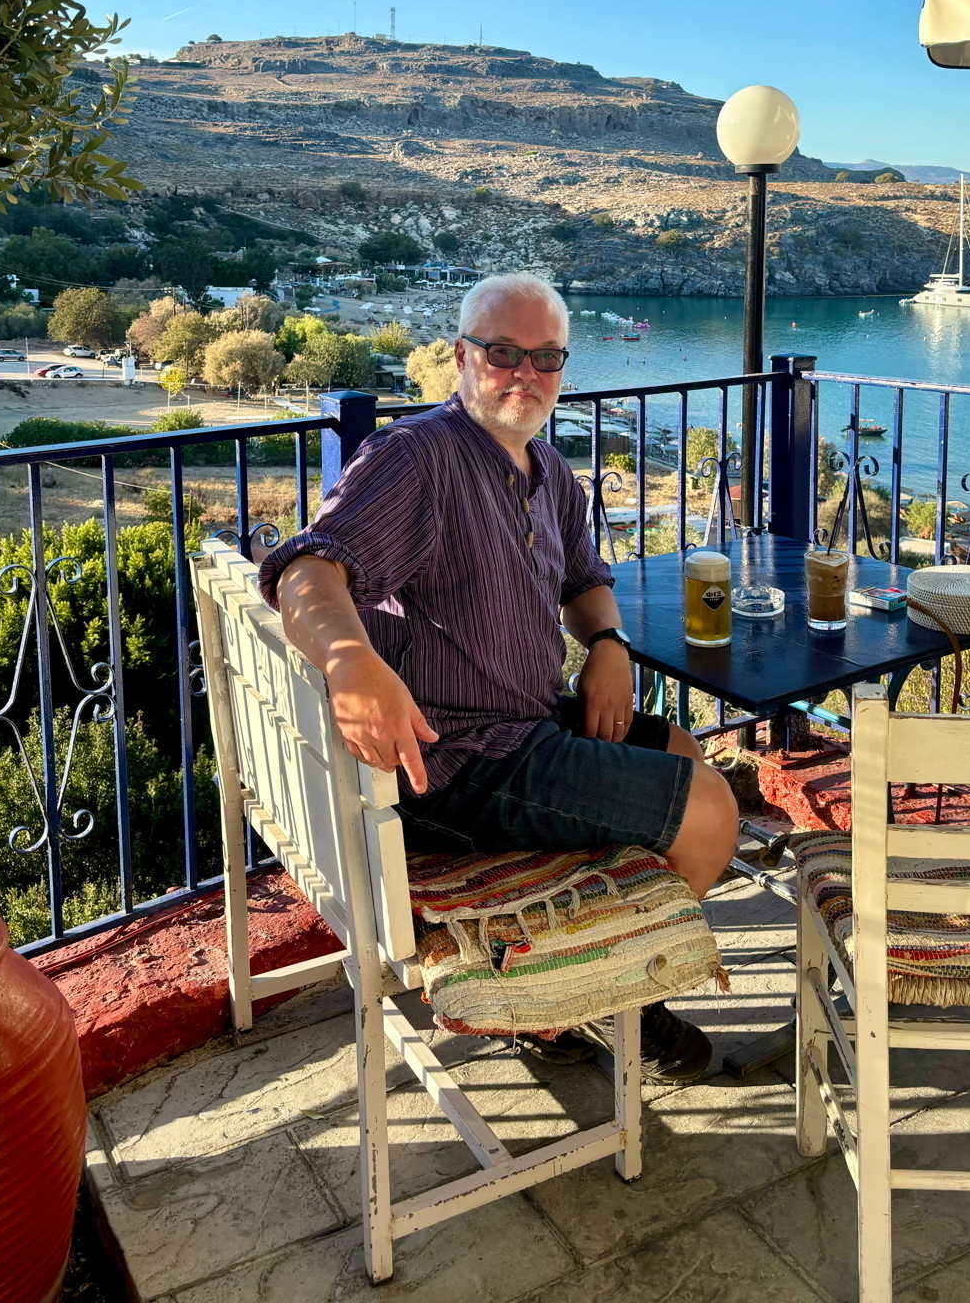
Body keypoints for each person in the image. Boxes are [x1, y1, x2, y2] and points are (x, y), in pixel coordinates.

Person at [258, 271, 739, 1084]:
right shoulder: (416, 461)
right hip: (459, 764)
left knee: (685, 750)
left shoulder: (547, 470)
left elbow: (584, 581)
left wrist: (610, 645)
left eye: (544, 357)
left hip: (525, 726)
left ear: (563, 367)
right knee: (709, 811)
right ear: (460, 357)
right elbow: (307, 571)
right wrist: (348, 661)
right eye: (504, 353)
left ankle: (583, 974)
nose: (525, 374)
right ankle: (606, 998)